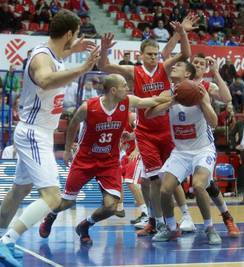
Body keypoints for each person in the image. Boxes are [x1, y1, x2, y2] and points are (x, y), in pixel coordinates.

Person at [0, 9, 99, 267]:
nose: (77, 39)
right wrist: (82, 67)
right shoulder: (40, 57)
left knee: (19, 191)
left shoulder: (54, 55)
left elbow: (57, 59)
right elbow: (46, 80)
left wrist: (74, 50)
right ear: (68, 33)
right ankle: (7, 241)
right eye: (76, 35)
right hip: (35, 133)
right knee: (52, 198)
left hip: (37, 133)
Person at [38, 74, 172, 245]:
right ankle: (51, 217)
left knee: (111, 207)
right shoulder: (89, 107)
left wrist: (173, 99)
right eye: (124, 85)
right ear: (114, 90)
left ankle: (85, 226)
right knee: (66, 202)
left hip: (109, 161)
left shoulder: (127, 102)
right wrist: (67, 150)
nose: (127, 88)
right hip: (85, 160)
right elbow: (72, 125)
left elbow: (152, 101)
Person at [98, 15, 198, 236]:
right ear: (141, 55)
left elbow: (186, 54)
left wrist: (182, 33)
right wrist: (104, 48)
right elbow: (104, 66)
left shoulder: (164, 66)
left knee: (172, 178)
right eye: (149, 54)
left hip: (167, 130)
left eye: (155, 54)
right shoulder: (134, 72)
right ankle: (158, 222)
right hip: (146, 133)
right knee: (153, 180)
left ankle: (186, 216)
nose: (153, 57)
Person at [145, 61, 222, 245]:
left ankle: (210, 227)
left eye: (178, 65)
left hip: (203, 149)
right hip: (180, 151)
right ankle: (171, 229)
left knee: (198, 185)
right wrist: (172, 102)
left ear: (188, 74)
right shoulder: (167, 93)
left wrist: (203, 103)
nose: (173, 67)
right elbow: (148, 114)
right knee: (165, 189)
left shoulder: (200, 92)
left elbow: (214, 122)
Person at [191, 54, 240, 237]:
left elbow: (227, 98)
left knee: (207, 186)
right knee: (165, 182)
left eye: (201, 64)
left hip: (202, 143)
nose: (197, 64)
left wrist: (216, 73)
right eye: (195, 61)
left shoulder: (207, 85)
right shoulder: (179, 84)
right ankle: (173, 221)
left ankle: (226, 217)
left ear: (205, 69)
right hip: (181, 144)